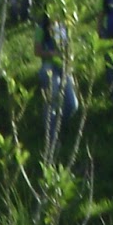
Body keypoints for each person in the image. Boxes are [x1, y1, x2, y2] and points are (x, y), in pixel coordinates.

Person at [35, 13, 79, 149]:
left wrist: (69, 58)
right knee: (52, 101)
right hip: (48, 67)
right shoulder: (41, 28)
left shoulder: (65, 26)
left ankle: (57, 126)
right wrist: (52, 54)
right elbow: (37, 51)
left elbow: (69, 47)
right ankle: (52, 138)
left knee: (72, 104)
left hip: (63, 66)